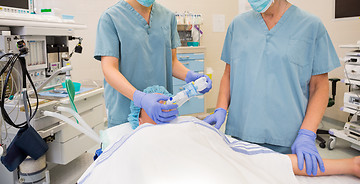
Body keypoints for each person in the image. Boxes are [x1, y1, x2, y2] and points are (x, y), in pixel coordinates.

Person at [203, 0, 340, 177]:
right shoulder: (238, 25)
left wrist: (307, 133)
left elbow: (319, 87)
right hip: (241, 134)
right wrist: (220, 108)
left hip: (289, 137)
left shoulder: (310, 26)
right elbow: (228, 74)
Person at [78, 86, 360, 184]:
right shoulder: (134, 136)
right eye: (154, 102)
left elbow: (252, 159)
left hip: (213, 171)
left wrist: (348, 164)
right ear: (139, 114)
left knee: (259, 163)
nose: (163, 104)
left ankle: (350, 165)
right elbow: (113, 165)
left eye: (166, 100)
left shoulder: (191, 126)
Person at [94, 0, 212, 128]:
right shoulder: (111, 18)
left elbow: (171, 62)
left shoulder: (167, 16)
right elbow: (109, 69)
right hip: (125, 110)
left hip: (161, 107)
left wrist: (191, 76)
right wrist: (139, 98)